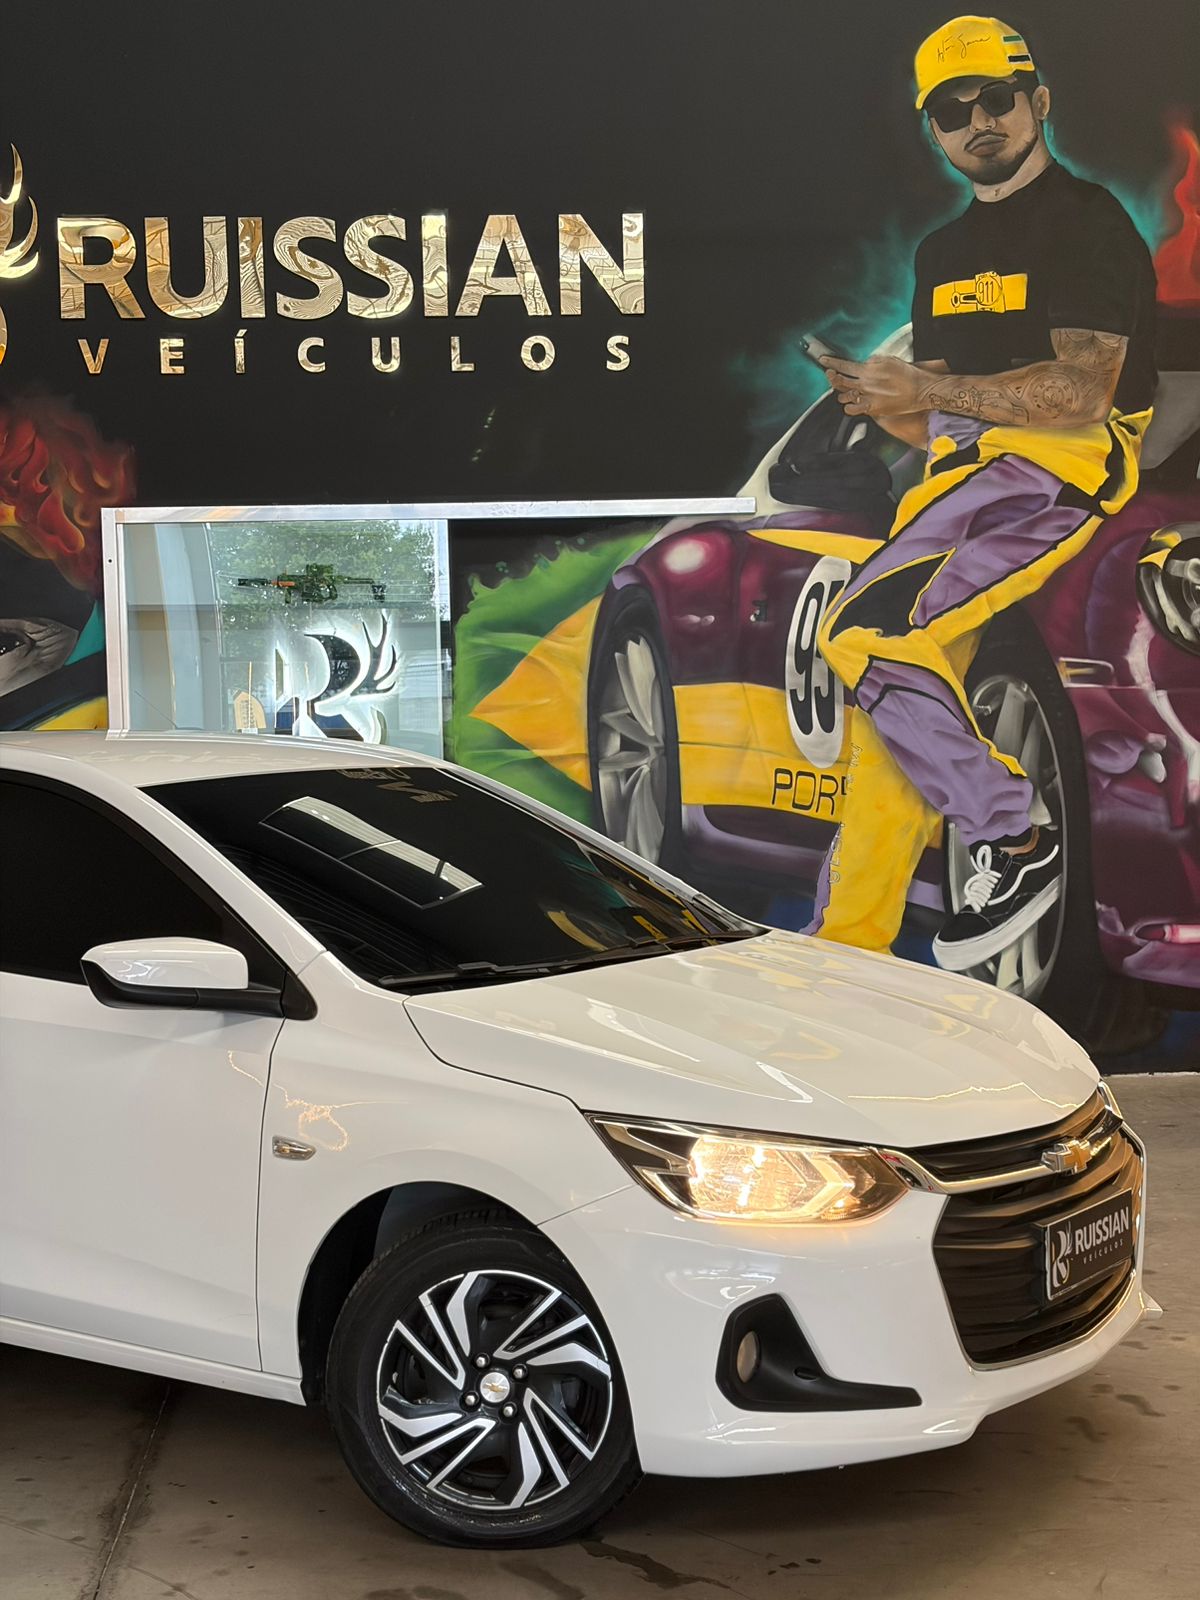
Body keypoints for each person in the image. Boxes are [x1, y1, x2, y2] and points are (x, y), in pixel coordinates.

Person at [804, 14, 1158, 972]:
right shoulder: (942, 253)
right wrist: (889, 403)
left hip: (1056, 463)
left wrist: (930, 390)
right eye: (953, 111)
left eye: (995, 99)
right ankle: (846, 956)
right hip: (957, 477)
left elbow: (1080, 393)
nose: (979, 122)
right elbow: (947, 412)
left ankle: (1013, 830)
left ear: (1037, 102)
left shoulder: (1088, 221)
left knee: (863, 630)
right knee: (896, 729)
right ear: (934, 131)